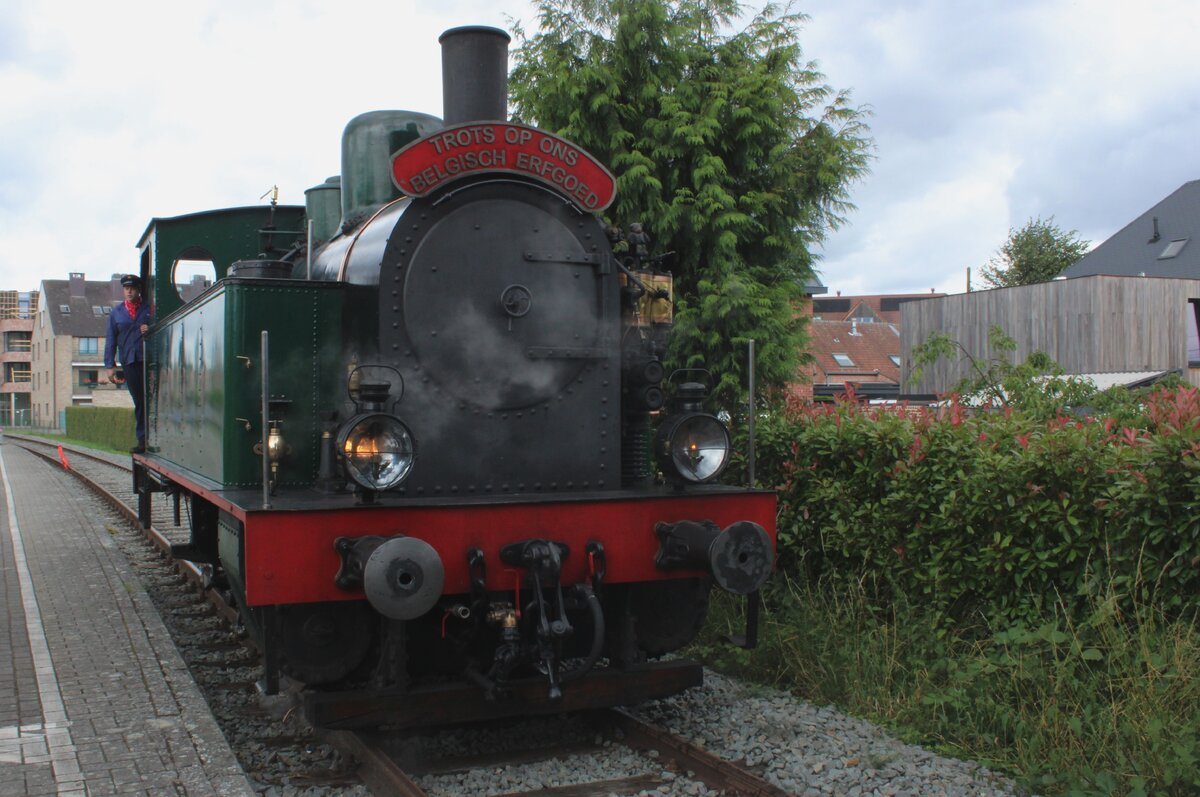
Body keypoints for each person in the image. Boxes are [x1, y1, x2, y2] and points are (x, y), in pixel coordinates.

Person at [105, 274, 151, 453]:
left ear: (138, 289)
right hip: (129, 361)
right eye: (126, 288)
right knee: (138, 399)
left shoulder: (148, 309)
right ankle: (142, 439)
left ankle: (152, 437)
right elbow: (111, 340)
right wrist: (110, 366)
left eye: (132, 288)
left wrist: (150, 328)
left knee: (151, 399)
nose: (129, 291)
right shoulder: (116, 313)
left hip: (148, 359)